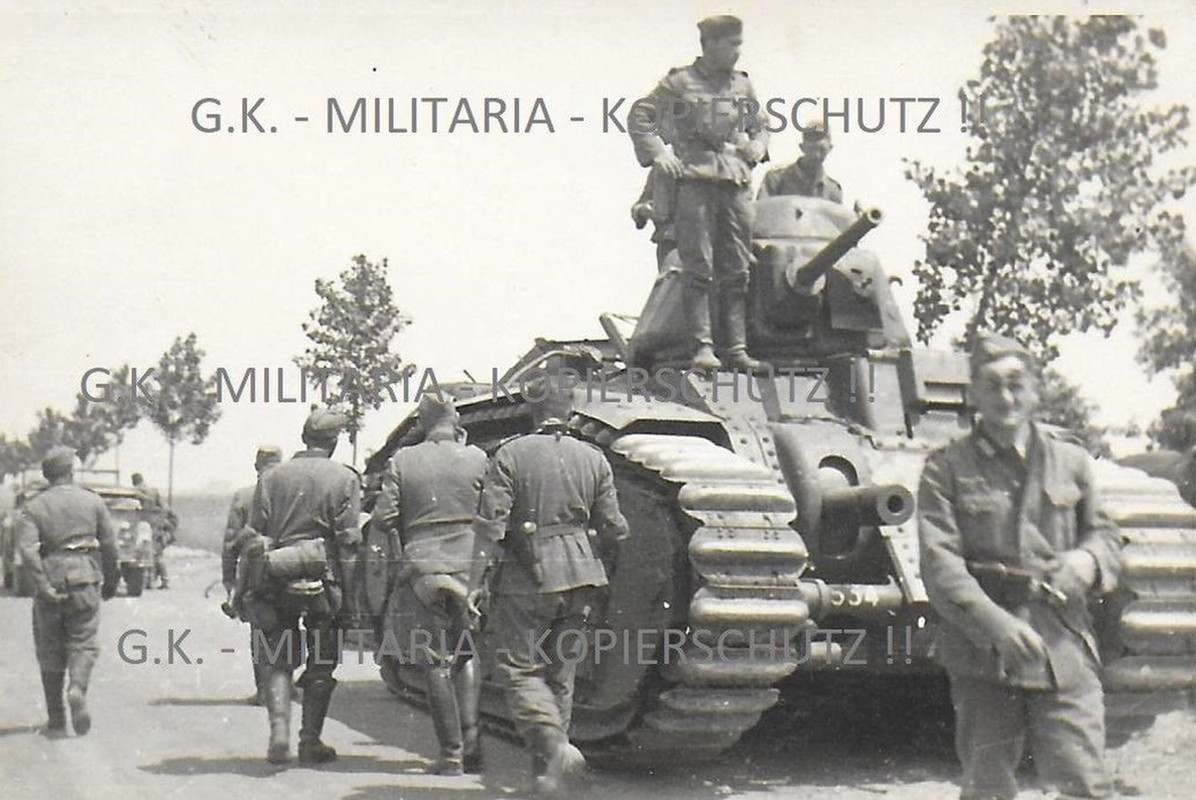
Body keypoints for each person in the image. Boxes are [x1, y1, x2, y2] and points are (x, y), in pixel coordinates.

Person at [917, 332, 1123, 800]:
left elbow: (1107, 535)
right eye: (992, 385)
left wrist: (1087, 561)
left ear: (1035, 390)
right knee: (988, 784)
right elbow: (939, 562)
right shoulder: (946, 467)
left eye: (1016, 384)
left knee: (1083, 781)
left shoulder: (1070, 462)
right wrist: (996, 627)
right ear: (973, 394)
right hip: (984, 651)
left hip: (1062, 642)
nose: (1005, 397)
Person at [468, 380, 629, 795]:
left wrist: (473, 583)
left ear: (531, 412)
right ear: (571, 413)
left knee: (519, 670)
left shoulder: (511, 453)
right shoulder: (594, 457)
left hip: (530, 574)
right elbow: (615, 527)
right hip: (584, 576)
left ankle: (556, 750)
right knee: (561, 675)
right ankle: (548, 778)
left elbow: (490, 526)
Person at [628, 15, 770, 372]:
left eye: (739, 44)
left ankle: (735, 348)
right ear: (709, 45)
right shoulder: (680, 82)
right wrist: (660, 154)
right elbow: (640, 116)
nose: (737, 52)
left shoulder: (742, 86)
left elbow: (762, 124)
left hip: (736, 182)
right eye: (730, 44)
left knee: (738, 267)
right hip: (695, 180)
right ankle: (702, 347)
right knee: (698, 267)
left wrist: (758, 144)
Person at [371, 394, 488, 775]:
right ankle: (472, 742)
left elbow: (384, 517)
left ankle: (451, 754)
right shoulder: (477, 457)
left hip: (425, 567)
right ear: (454, 419)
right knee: (466, 651)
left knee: (434, 662)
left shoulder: (404, 460)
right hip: (470, 565)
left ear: (422, 421)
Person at [245, 409, 362, 765]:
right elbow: (348, 542)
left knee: (278, 660)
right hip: (324, 581)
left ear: (303, 436)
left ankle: (278, 729)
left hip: (277, 575)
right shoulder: (345, 478)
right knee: (323, 662)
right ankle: (309, 740)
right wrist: (351, 597)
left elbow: (256, 534)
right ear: (335, 441)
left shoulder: (272, 476)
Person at [16, 446, 119, 737]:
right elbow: (111, 546)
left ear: (46, 475)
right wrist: (111, 581)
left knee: (49, 649)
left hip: (51, 578)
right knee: (84, 642)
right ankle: (77, 688)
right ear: (71, 471)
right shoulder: (92, 501)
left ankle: (57, 719)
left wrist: (43, 586)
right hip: (85, 578)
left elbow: (27, 551)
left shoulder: (34, 507)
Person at [222, 444, 283, 705]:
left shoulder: (244, 496)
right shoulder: (293, 492)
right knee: (288, 625)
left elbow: (230, 541)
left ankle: (264, 691)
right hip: (290, 566)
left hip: (256, 573)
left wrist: (229, 580)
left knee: (260, 630)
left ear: (257, 465)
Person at [757, 120, 843, 202]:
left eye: (821, 150)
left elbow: (835, 216)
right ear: (802, 147)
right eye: (812, 149)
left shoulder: (833, 190)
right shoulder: (776, 179)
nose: (816, 155)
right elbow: (762, 210)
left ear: (830, 149)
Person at [630, 161, 678, 270]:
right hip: (670, 240)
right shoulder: (662, 166)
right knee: (670, 281)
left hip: (703, 240)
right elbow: (641, 203)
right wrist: (643, 211)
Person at [132, 472, 172, 589]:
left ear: (134, 481)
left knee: (143, 554)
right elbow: (164, 508)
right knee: (156, 554)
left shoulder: (135, 492)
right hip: (155, 525)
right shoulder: (153, 490)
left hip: (141, 525)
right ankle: (161, 580)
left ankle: (149, 581)